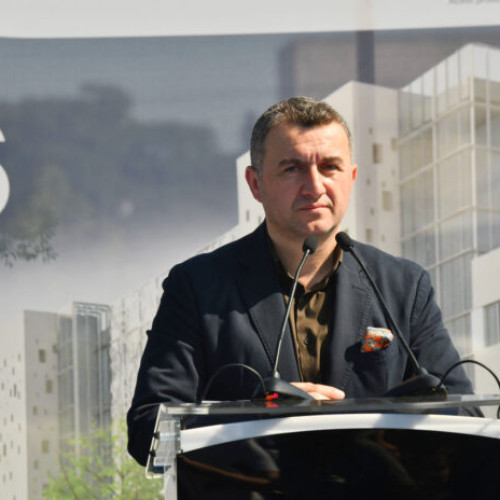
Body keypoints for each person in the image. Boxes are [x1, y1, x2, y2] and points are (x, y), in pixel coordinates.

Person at [127, 96, 474, 467]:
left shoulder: (405, 286)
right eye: (292, 168)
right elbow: (149, 428)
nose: (314, 186)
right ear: (256, 183)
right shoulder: (197, 286)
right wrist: (259, 420)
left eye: (330, 167)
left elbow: (466, 417)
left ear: (351, 177)